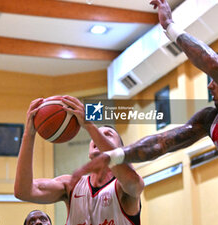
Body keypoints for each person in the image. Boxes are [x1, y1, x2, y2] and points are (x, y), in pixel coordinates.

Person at [71, 0, 218, 225]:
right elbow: (162, 143)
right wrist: (115, 155)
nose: (209, 86)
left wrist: (170, 28)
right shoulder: (212, 120)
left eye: (214, 80)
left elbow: (213, 64)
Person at [14, 96, 144, 225]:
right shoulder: (71, 185)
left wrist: (89, 126)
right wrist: (28, 134)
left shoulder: (124, 187)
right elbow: (23, 191)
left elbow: (133, 181)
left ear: (120, 149)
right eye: (95, 136)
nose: (98, 138)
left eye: (107, 135)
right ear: (89, 152)